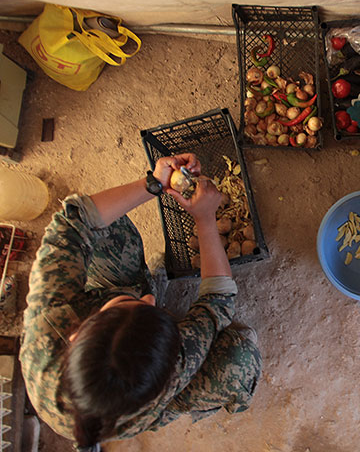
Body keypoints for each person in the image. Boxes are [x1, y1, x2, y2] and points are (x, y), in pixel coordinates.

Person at [19, 154, 262, 451]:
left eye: (133, 304)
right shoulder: (171, 371)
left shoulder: (48, 317)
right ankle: (205, 402)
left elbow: (76, 218)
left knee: (110, 229)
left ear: (76, 333)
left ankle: (124, 294)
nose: (150, 297)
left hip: (101, 361)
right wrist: (205, 219)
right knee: (238, 357)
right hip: (146, 403)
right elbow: (218, 302)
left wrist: (153, 183)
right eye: (150, 304)